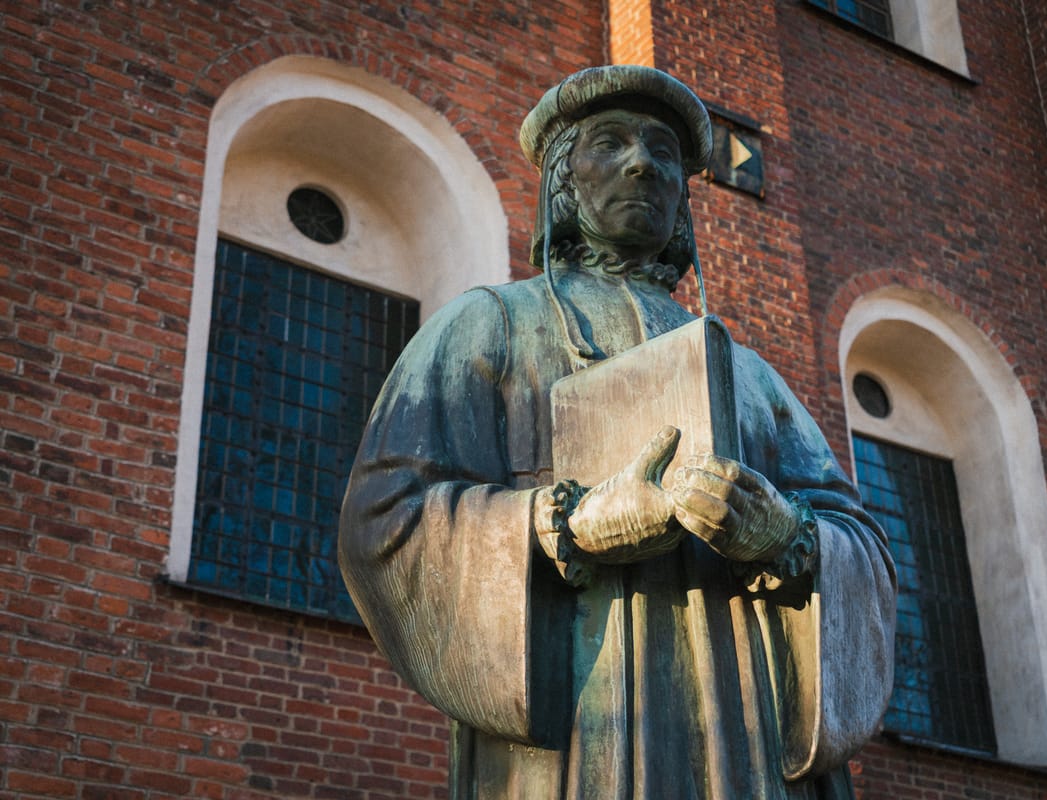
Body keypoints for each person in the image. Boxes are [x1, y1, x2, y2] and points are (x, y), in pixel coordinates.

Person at [339, 65, 896, 800]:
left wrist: (784, 534)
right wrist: (566, 525)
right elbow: (385, 517)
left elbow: (865, 551)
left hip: (744, 725)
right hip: (579, 723)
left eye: (663, 152)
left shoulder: (753, 375)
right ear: (565, 183)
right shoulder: (490, 326)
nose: (644, 163)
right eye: (611, 142)